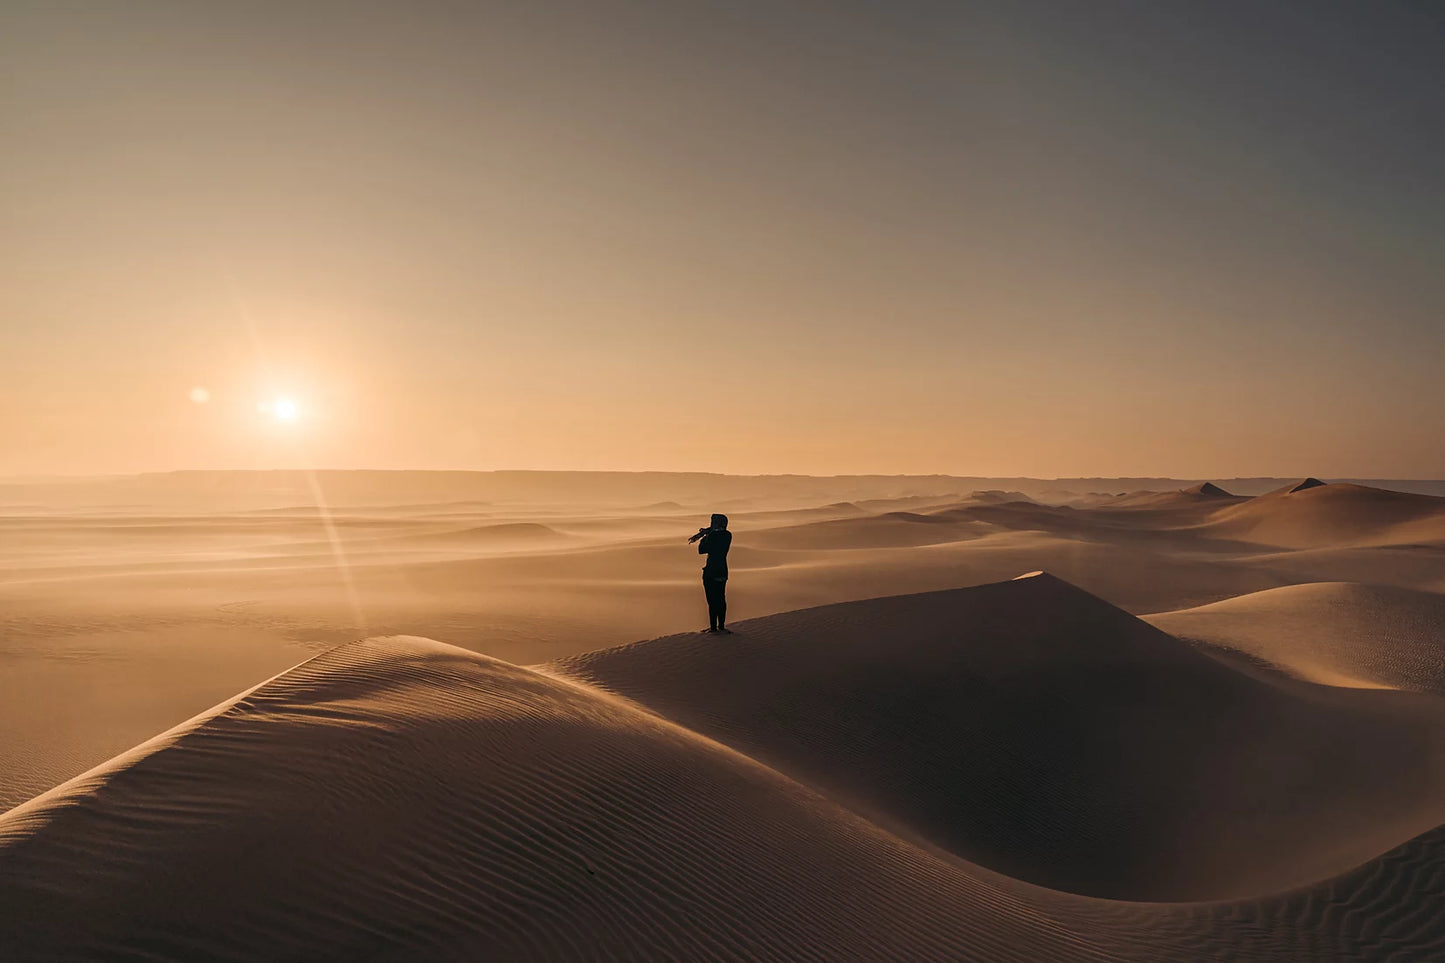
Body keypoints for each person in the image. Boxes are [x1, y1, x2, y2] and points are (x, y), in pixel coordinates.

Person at [689, 513, 732, 633]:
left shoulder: (713, 536)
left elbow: (701, 550)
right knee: (721, 598)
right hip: (722, 571)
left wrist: (704, 536)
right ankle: (721, 626)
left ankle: (713, 628)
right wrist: (709, 532)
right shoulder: (728, 535)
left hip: (711, 572)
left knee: (712, 600)